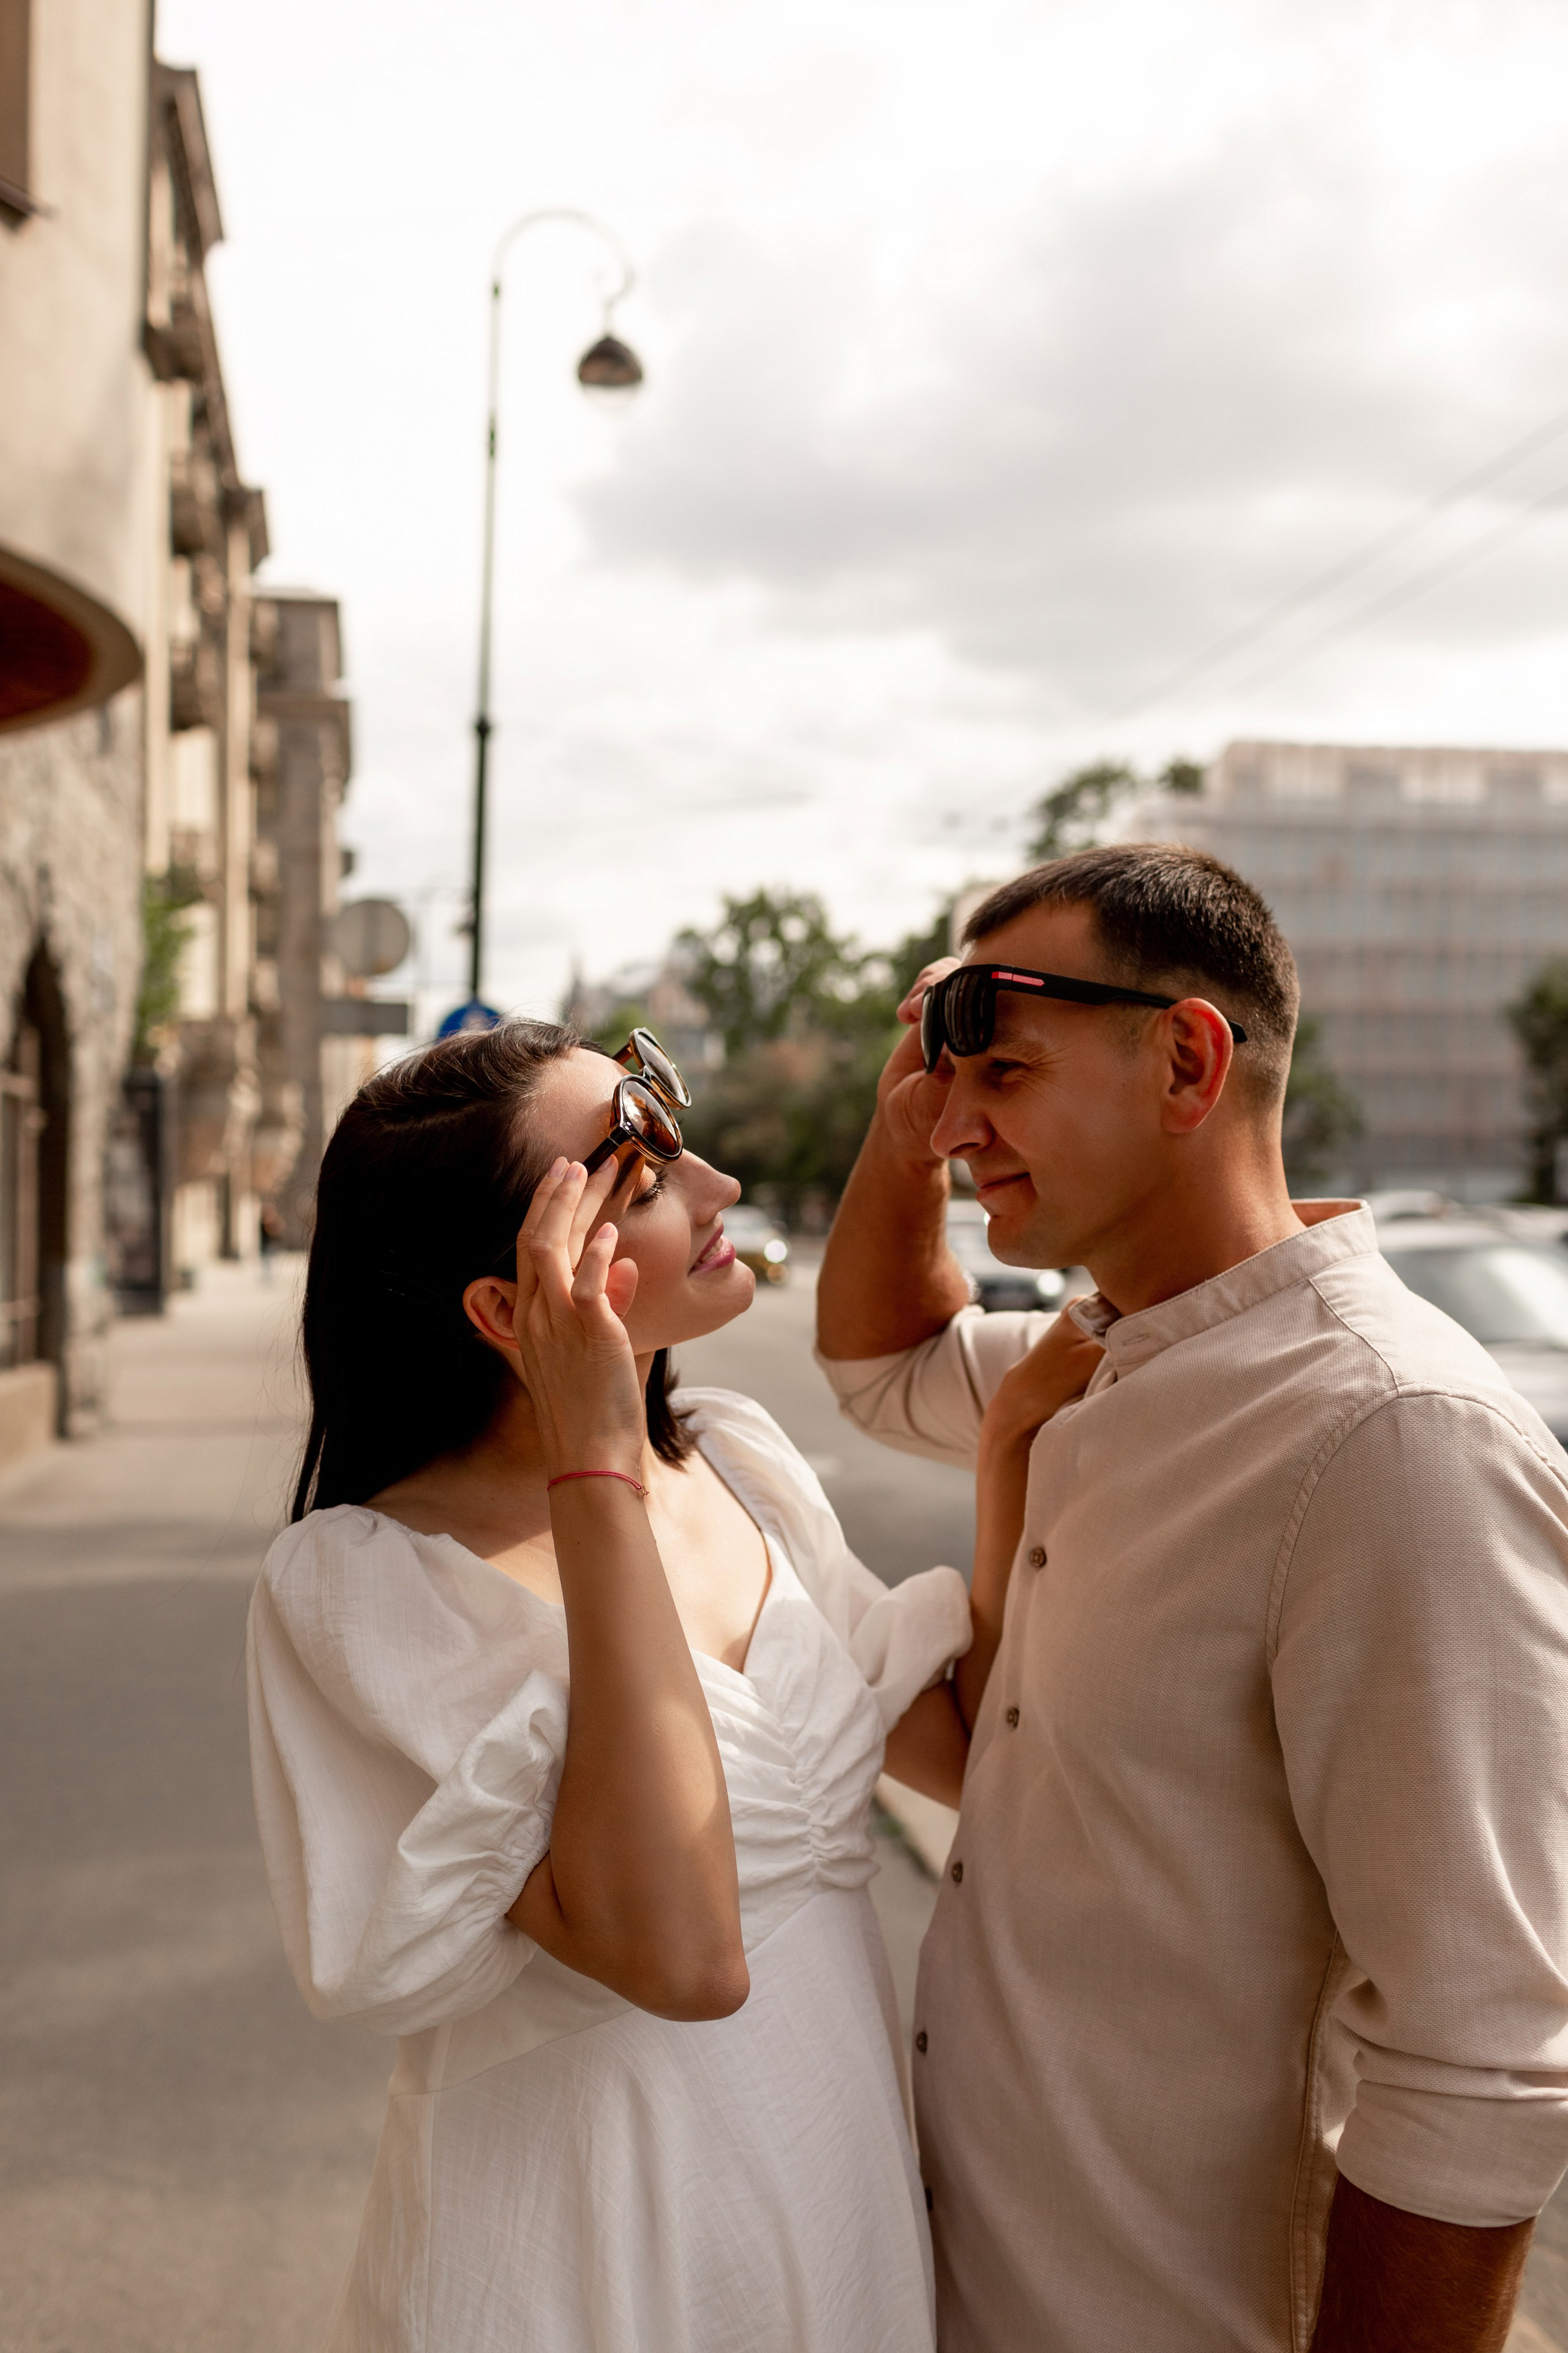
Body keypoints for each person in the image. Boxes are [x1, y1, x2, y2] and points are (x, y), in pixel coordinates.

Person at [815, 842, 1568, 2353]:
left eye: (1003, 1072)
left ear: (1184, 1058)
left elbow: (1480, 2054)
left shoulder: (1385, 1433)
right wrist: (917, 1098)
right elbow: (881, 1362)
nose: (953, 1124)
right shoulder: (1103, 1348)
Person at [246, 1018, 1019, 2353]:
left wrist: (1026, 1438)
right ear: (509, 1306)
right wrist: (591, 1453)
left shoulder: (735, 1455)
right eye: (648, 1180)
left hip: (833, 2193)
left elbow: (966, 1748)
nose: (718, 1189)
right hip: (594, 2237)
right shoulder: (371, 1582)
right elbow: (680, 1956)